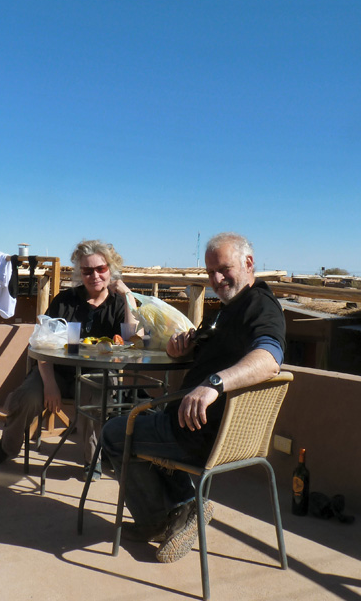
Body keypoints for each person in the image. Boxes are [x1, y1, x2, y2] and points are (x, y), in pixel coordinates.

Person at [100, 232, 286, 564]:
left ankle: (171, 513)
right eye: (211, 272)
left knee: (115, 432)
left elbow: (270, 357)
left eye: (224, 269)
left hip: (197, 431)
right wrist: (179, 347)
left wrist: (214, 383)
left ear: (248, 263)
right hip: (212, 431)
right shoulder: (226, 312)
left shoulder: (260, 305)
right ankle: (180, 510)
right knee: (140, 424)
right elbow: (190, 345)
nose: (217, 279)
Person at [0, 239, 137, 477]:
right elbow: (42, 344)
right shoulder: (65, 301)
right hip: (56, 372)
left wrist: (128, 296)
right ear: (80, 273)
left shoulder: (119, 303)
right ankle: (8, 446)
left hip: (98, 374)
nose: (95, 276)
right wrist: (49, 384)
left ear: (111, 269)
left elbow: (131, 338)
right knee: (27, 397)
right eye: (87, 270)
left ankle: (93, 461)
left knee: (96, 398)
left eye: (101, 269)